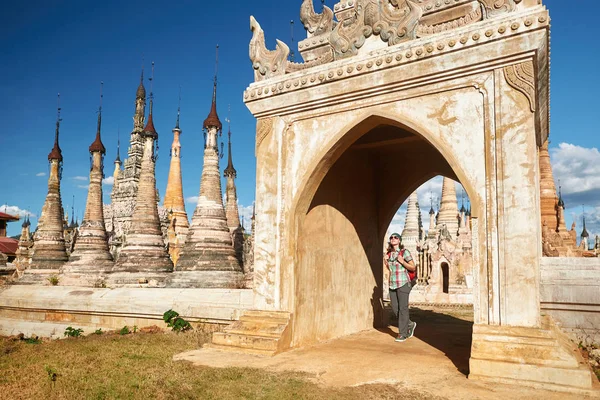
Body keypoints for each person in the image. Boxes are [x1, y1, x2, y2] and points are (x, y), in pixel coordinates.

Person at [384, 233, 417, 342]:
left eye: (396, 237)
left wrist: (402, 261)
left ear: (399, 240)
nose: (393, 239)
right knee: (394, 308)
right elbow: (391, 270)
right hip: (393, 284)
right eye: (391, 237)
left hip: (403, 283)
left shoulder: (404, 252)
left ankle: (402, 334)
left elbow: (413, 267)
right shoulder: (389, 254)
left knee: (403, 308)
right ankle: (410, 324)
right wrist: (386, 261)